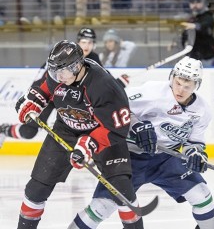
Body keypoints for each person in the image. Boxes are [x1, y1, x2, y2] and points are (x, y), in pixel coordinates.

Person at [38, 56, 214, 229]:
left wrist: (197, 154)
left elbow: (195, 142)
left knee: (201, 193)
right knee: (101, 207)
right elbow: (118, 106)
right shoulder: (152, 92)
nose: (180, 89)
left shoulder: (202, 110)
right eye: (178, 82)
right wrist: (137, 126)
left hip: (167, 159)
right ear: (171, 78)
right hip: (131, 156)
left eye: (187, 86)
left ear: (196, 86)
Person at [0, 40, 162, 229]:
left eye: (63, 71)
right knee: (36, 186)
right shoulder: (56, 74)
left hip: (104, 134)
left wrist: (89, 144)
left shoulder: (103, 85)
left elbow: (118, 128)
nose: (58, 76)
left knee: (122, 188)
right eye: (54, 71)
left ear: (77, 67)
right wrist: (32, 103)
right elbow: (43, 88)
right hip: (65, 130)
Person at [0, 27, 128, 147]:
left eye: (90, 42)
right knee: (29, 131)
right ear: (78, 43)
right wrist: (36, 98)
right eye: (84, 42)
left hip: (70, 98)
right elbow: (42, 81)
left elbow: (105, 82)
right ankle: (3, 129)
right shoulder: (61, 55)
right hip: (50, 95)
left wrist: (119, 83)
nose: (87, 46)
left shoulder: (93, 59)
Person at [180, 0, 214, 66]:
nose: (195, 5)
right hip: (193, 56)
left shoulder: (207, 16)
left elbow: (205, 25)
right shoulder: (191, 18)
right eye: (192, 3)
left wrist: (195, 26)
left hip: (206, 57)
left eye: (197, 2)